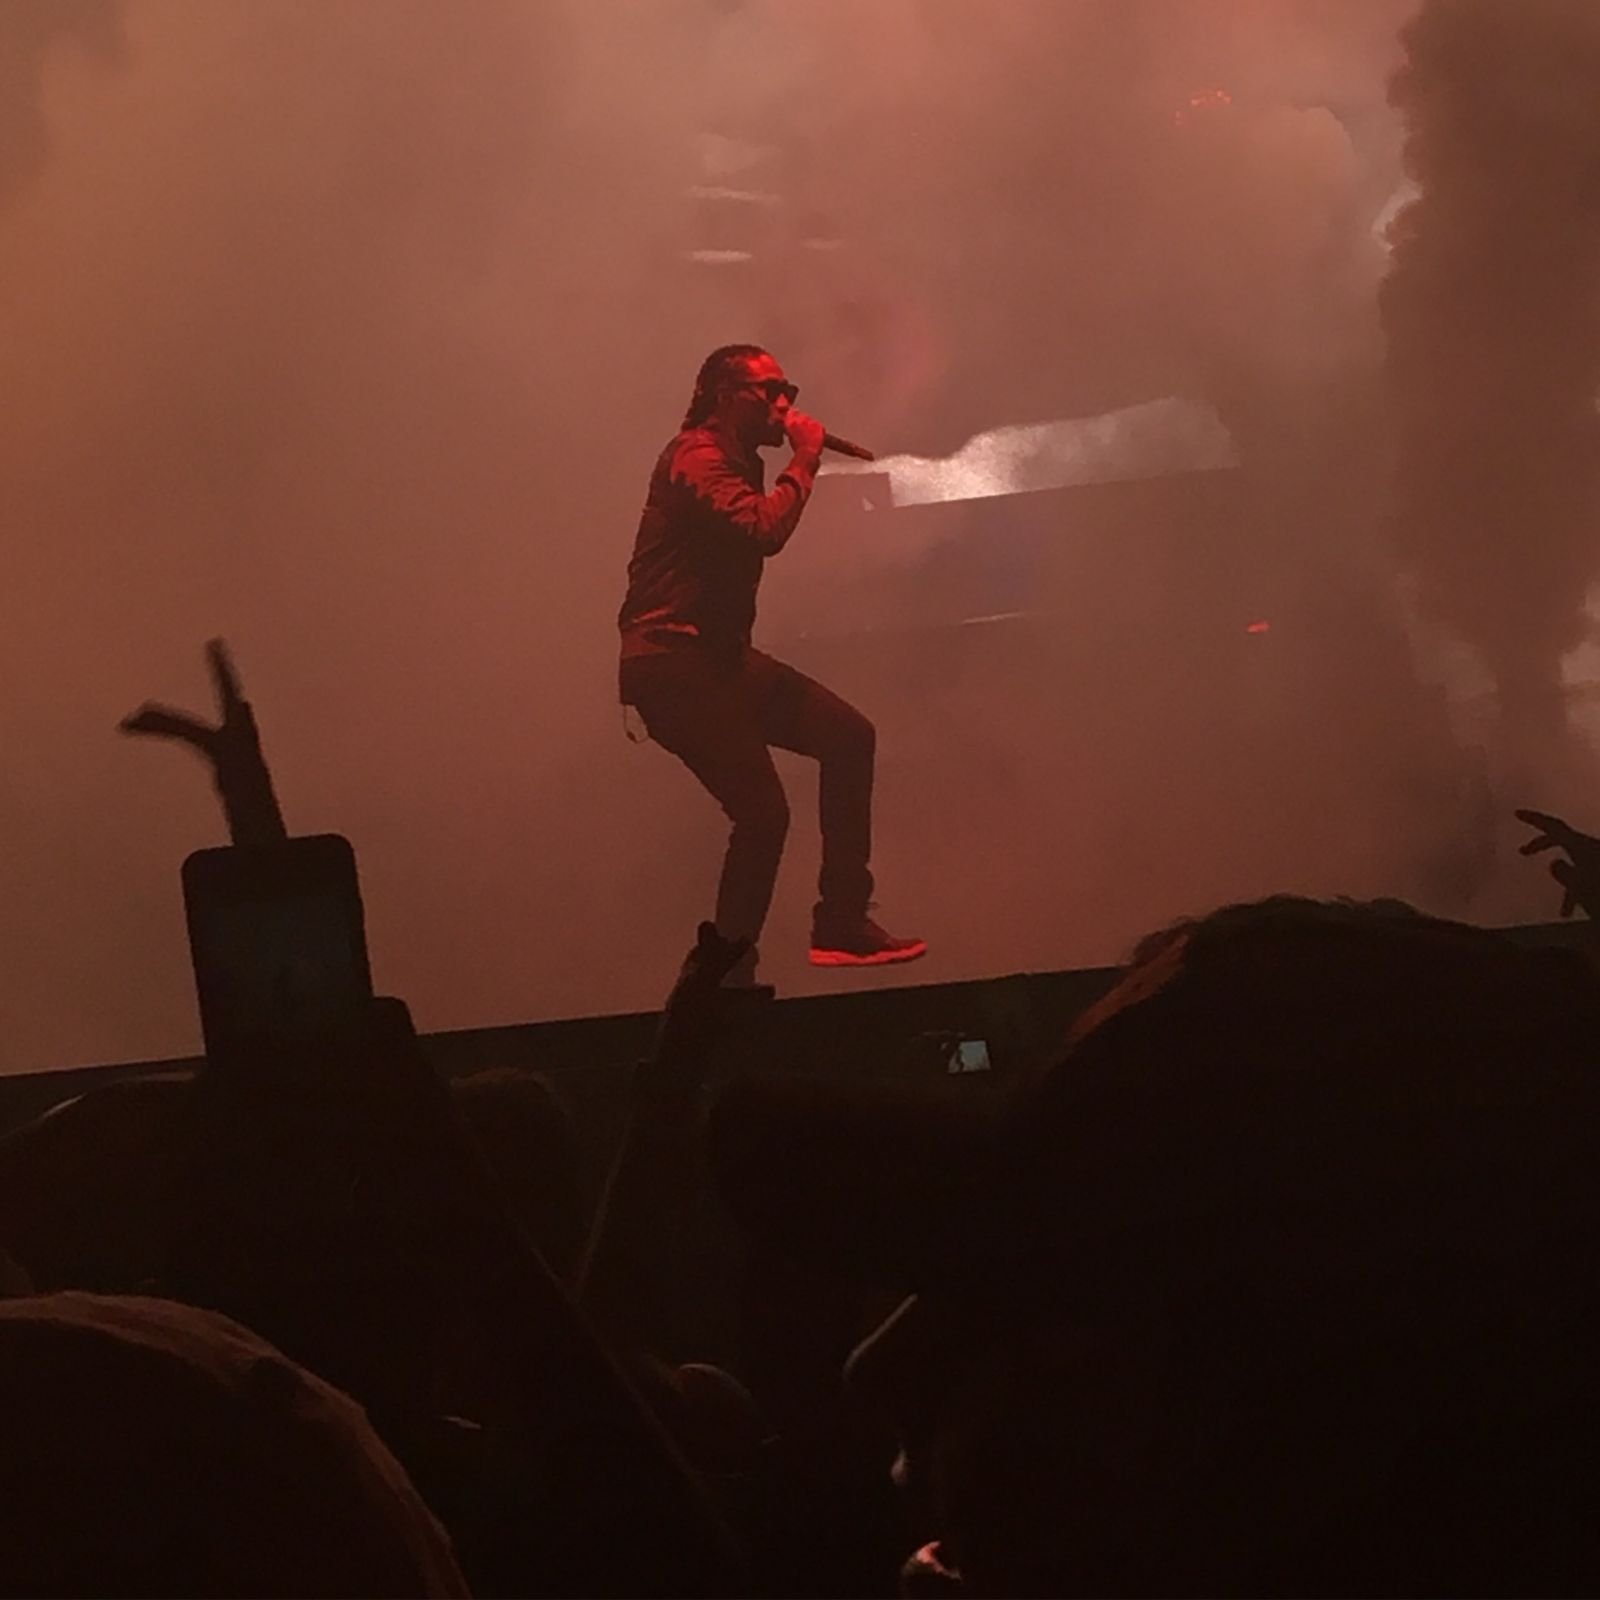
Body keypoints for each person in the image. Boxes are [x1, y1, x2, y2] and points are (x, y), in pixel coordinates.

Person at [619, 343, 926, 984]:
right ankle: (723, 970)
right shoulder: (696, 456)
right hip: (672, 661)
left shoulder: (733, 460)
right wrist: (807, 458)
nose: (784, 404)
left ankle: (841, 921)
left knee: (848, 738)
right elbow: (762, 530)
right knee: (763, 814)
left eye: (789, 391)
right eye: (769, 391)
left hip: (717, 659)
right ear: (723, 395)